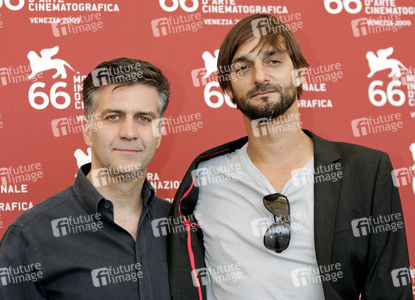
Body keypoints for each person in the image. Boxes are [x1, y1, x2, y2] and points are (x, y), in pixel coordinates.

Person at [168, 14, 412, 299]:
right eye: (243, 67)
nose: (260, 76)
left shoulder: (366, 171)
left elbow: (390, 290)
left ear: (299, 74)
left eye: (273, 61)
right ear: (227, 88)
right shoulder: (203, 176)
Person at [0, 58, 172, 299]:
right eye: (113, 117)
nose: (129, 133)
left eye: (144, 118)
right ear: (87, 130)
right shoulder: (32, 235)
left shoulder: (182, 229)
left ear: (159, 134)